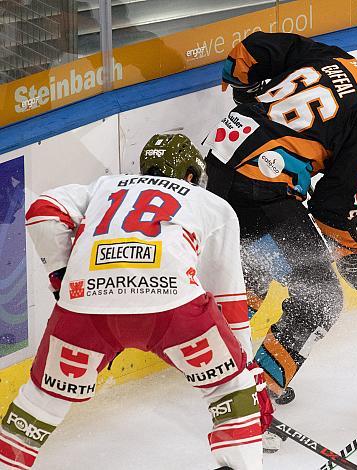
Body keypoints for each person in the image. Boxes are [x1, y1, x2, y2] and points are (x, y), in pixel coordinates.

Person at [203, 32, 357, 451]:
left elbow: (256, 47)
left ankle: (220, 375)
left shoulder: (338, 58)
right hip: (261, 187)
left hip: (220, 161)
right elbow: (330, 212)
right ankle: (252, 404)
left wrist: (243, 87)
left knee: (258, 266)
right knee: (321, 298)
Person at [0, 134, 273, 470]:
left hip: (84, 309)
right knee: (230, 389)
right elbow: (228, 300)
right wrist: (245, 371)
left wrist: (62, 278)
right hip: (172, 308)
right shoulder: (211, 205)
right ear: (190, 175)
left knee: (40, 402)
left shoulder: (105, 186)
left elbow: (42, 211)